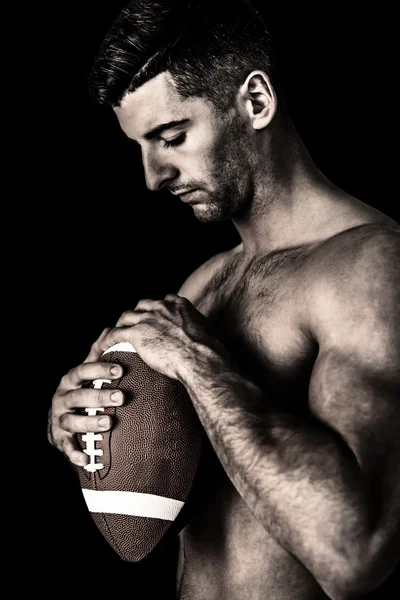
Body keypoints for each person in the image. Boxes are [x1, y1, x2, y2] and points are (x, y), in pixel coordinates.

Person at [47, 1, 400, 598]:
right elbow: (191, 511)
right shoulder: (202, 286)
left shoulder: (369, 269)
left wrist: (199, 366)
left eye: (172, 137)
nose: (152, 176)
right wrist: (92, 432)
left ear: (256, 101)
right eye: (140, 146)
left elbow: (352, 552)